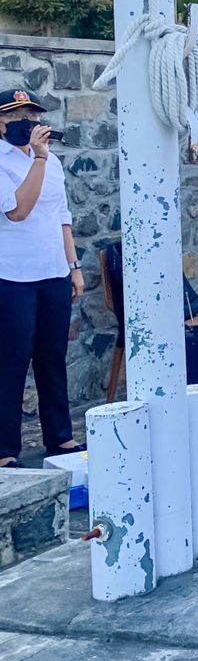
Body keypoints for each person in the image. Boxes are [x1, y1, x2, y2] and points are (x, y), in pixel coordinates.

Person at [0, 92, 83, 469]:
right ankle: (5, 449)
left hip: (53, 271)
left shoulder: (53, 162)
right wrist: (38, 159)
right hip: (13, 274)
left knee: (53, 358)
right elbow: (18, 210)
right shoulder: (12, 162)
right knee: (11, 361)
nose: (26, 122)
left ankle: (60, 436)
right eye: (16, 116)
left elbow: (60, 215)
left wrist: (74, 264)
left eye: (31, 115)